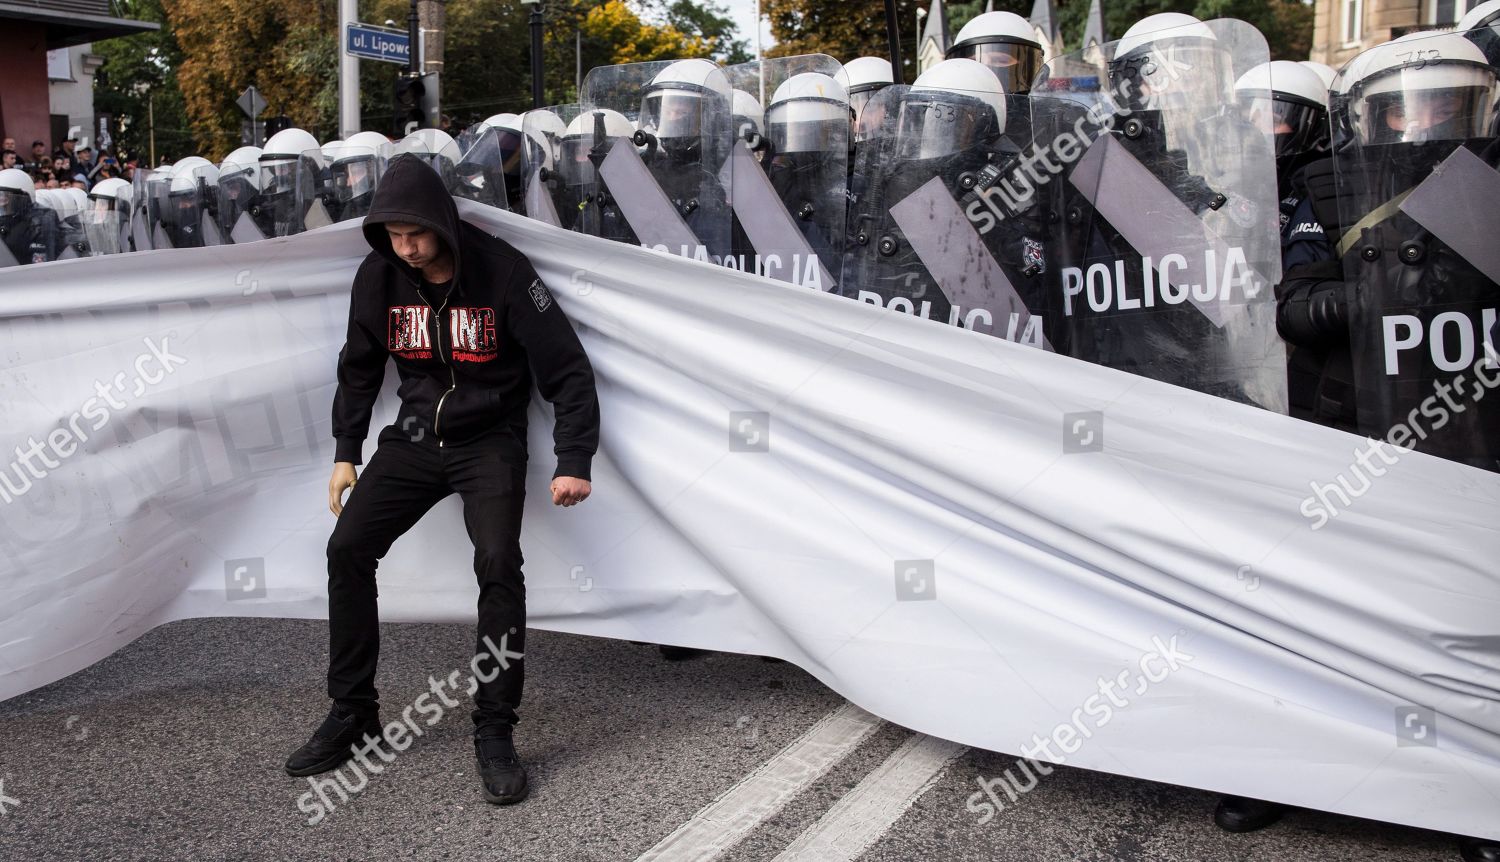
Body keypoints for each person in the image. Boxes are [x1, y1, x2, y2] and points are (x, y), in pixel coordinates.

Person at [283, 153, 600, 807]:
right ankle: (353, 713)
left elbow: (566, 369)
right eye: (394, 237)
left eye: (416, 235)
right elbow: (359, 365)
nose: (407, 248)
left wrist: (574, 460)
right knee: (346, 549)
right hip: (416, 437)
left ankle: (495, 731)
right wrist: (346, 449)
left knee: (497, 564)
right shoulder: (380, 275)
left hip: (490, 440)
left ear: (442, 223)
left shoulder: (503, 272)